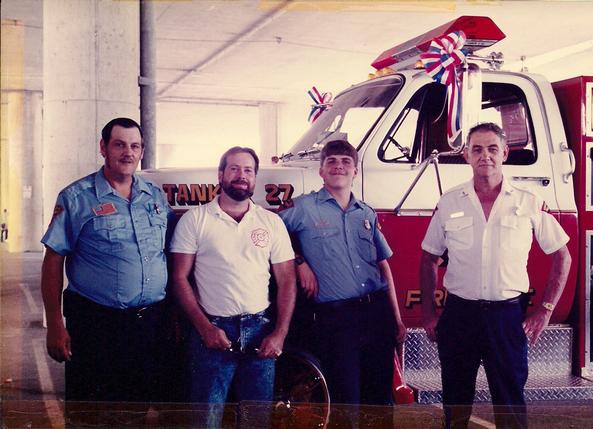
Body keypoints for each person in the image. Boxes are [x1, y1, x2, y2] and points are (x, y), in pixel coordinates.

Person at [420, 122, 572, 429]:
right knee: (455, 403)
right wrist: (428, 314)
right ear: (466, 156)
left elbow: (562, 255)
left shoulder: (528, 201)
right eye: (476, 149)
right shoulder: (449, 202)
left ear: (504, 152)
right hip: (459, 315)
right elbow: (428, 259)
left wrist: (545, 311)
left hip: (506, 317)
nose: (484, 156)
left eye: (492, 148)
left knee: (510, 403)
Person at [41, 117, 173, 406]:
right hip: (95, 325)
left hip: (147, 325)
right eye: (119, 145)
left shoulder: (155, 197)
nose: (128, 152)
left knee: (137, 410)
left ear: (142, 151)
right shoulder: (76, 197)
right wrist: (54, 323)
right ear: (103, 148)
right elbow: (53, 260)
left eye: (135, 146)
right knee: (90, 412)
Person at [279, 139, 406, 426]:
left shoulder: (366, 213)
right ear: (321, 171)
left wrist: (397, 319)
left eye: (346, 162)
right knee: (345, 399)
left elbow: (384, 266)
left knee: (380, 400)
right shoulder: (303, 208)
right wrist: (299, 262)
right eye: (332, 162)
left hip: (376, 315)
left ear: (355, 172)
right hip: (336, 320)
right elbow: (269, 230)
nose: (339, 166)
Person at [170, 146, 296, 428]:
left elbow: (287, 280)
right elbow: (179, 278)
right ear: (221, 175)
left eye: (248, 170)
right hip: (212, 334)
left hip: (261, 333)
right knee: (205, 422)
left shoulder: (271, 222)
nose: (242, 176)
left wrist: (279, 334)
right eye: (235, 169)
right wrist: (205, 329)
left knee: (255, 421)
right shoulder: (195, 220)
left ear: (255, 178)